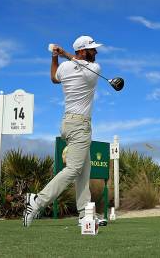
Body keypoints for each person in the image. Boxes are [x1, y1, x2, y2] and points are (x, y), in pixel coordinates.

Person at [23, 35, 102, 227]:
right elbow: (79, 68)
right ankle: (37, 201)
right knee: (74, 169)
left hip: (67, 123)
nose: (96, 52)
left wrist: (54, 58)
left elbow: (53, 78)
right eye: (92, 49)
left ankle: (84, 214)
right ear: (82, 51)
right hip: (80, 125)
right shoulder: (94, 69)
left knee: (84, 170)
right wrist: (64, 54)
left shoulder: (66, 67)